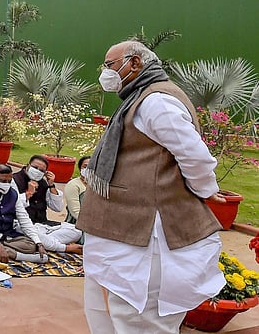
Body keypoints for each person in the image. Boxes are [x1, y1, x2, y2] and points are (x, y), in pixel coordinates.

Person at [77, 40, 225, 333]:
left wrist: (204, 190)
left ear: (134, 63)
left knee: (140, 318)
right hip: (124, 233)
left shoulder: (157, 102)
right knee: (114, 311)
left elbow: (195, 157)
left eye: (110, 65)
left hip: (147, 237)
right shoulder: (138, 98)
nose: (106, 72)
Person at [13, 155, 82, 254]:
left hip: (42, 224)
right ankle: (63, 247)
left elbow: (57, 208)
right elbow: (11, 204)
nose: (37, 171)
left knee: (77, 230)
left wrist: (51, 185)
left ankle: (43, 243)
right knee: (33, 233)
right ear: (28, 166)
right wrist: (28, 193)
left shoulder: (43, 183)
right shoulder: (13, 180)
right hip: (22, 225)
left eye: (41, 170)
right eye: (35, 168)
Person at [63, 156, 89, 224]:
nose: (88, 169)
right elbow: (75, 212)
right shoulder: (73, 185)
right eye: (85, 166)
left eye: (91, 167)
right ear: (80, 168)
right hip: (76, 224)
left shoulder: (99, 186)